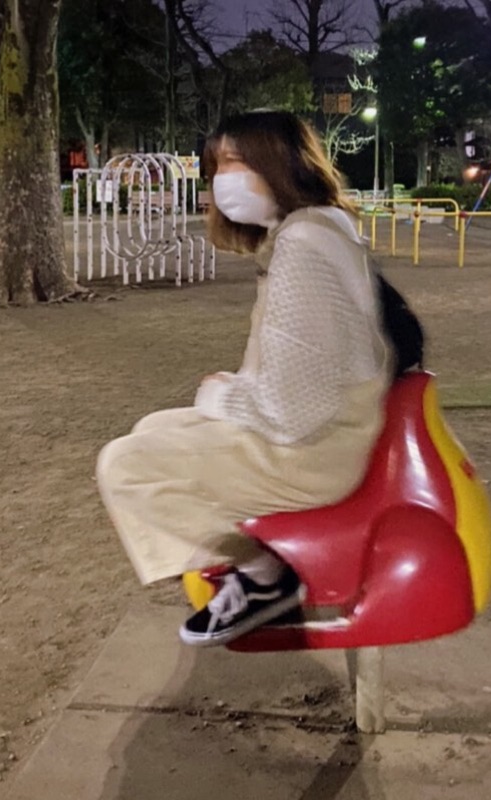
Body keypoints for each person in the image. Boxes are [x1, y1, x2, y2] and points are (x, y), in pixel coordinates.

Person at [96, 110, 390, 647]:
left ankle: (264, 575)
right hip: (333, 428)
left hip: (313, 451)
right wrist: (236, 392)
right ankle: (255, 568)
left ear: (278, 163)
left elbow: (294, 411)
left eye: (234, 161)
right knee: (152, 429)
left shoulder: (304, 247)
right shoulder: (316, 229)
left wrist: (222, 397)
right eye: (217, 166)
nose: (221, 179)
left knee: (125, 466)